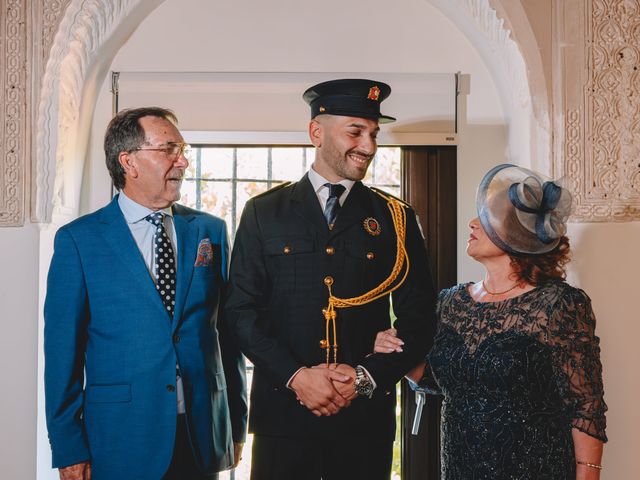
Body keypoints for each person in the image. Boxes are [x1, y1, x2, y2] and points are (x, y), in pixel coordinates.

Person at [223, 79, 437, 479]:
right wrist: (297, 377)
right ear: (316, 133)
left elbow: (421, 318)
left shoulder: (396, 218)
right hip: (282, 421)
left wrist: (365, 378)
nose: (369, 146)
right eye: (355, 131)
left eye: (373, 134)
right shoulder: (263, 212)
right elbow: (240, 313)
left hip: (364, 425)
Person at [44, 107, 248, 480]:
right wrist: (69, 444)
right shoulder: (79, 240)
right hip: (120, 438)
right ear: (129, 162)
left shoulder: (210, 230)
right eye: (169, 149)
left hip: (201, 433)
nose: (182, 160)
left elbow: (227, 335)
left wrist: (235, 423)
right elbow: (62, 354)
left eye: (182, 149)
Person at [375, 163, 608, 479]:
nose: (473, 222)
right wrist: (396, 351)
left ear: (517, 233)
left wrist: (588, 474)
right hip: (460, 469)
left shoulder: (560, 304)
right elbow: (436, 379)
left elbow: (586, 407)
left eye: (485, 218)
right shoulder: (450, 302)